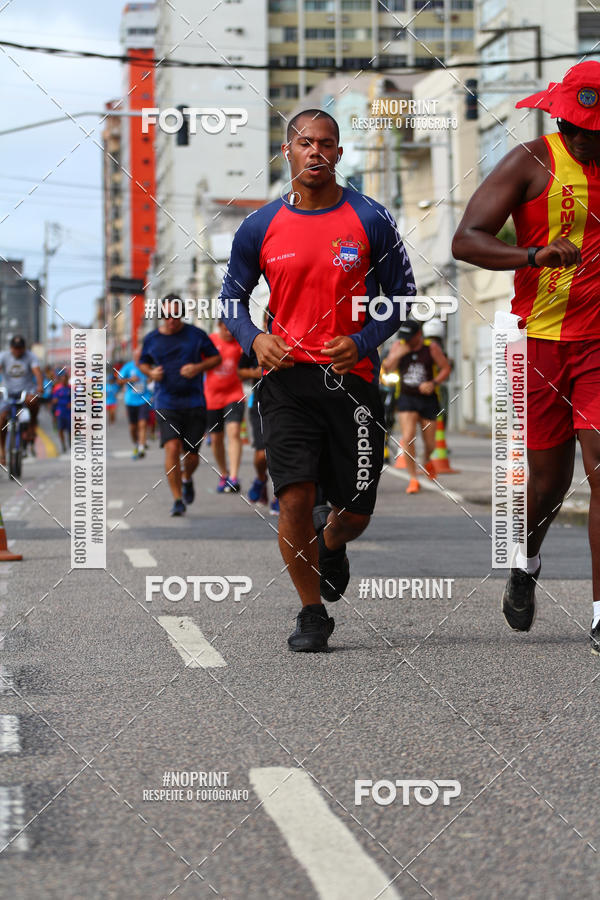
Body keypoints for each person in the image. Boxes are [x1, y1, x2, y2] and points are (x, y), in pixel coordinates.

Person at [219, 108, 416, 652]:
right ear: (287, 152)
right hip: (286, 381)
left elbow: (401, 297)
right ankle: (311, 613)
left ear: (339, 154)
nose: (316, 152)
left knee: (353, 512)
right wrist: (253, 339)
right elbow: (231, 300)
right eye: (305, 143)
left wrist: (363, 341)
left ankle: (332, 544)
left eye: (326, 143)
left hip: (352, 382)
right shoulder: (259, 225)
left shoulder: (371, 218)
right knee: (294, 498)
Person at [452, 60, 600, 650]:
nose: (593, 140)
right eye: (586, 129)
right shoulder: (531, 162)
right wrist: (534, 256)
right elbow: (467, 240)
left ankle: (598, 611)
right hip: (540, 343)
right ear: (565, 123)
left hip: (599, 347)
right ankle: (526, 557)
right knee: (549, 483)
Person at [138, 293, 221, 516]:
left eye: (175, 314)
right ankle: (177, 499)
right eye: (166, 315)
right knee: (172, 448)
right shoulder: (152, 339)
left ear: (182, 314)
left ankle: (186, 478)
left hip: (194, 402)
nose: (171, 319)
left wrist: (197, 368)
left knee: (192, 456)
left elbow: (216, 358)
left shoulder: (196, 335)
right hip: (166, 402)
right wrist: (150, 372)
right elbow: (142, 363)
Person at [382, 320, 451, 494]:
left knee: (431, 444)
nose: (406, 341)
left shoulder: (431, 348)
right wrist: (397, 354)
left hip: (428, 399)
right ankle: (413, 478)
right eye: (404, 338)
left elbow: (445, 368)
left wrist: (433, 382)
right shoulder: (399, 345)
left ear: (418, 335)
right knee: (408, 437)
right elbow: (387, 369)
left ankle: (427, 459)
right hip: (406, 398)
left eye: (409, 338)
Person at [204, 319, 245, 493]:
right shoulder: (209, 342)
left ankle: (234, 477)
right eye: (226, 329)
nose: (229, 332)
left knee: (234, 431)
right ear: (219, 326)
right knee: (216, 439)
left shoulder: (240, 343)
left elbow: (247, 364)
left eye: (231, 329)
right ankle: (224, 473)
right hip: (212, 397)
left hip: (234, 394)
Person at [238, 345, 279, 514]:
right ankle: (261, 479)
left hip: (287, 405)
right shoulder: (255, 345)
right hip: (260, 404)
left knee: (280, 453)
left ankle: (279, 496)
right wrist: (254, 373)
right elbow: (240, 372)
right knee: (261, 454)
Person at [0, 335, 43, 464]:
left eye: (20, 348)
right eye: (15, 348)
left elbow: (37, 373)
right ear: (11, 348)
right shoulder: (4, 356)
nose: (17, 350)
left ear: (24, 348)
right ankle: (2, 452)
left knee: (33, 402)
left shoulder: (31, 356)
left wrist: (40, 386)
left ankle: (31, 427)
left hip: (26, 392)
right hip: (8, 392)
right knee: (1, 419)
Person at [117, 348, 151, 459]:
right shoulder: (128, 367)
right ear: (134, 357)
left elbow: (152, 377)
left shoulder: (147, 366)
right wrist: (130, 379)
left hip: (144, 399)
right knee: (133, 427)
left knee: (143, 423)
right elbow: (118, 380)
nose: (139, 359)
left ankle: (141, 447)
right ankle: (136, 443)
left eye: (141, 357)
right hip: (130, 400)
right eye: (137, 357)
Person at [51, 371, 71, 453]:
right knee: (60, 429)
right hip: (60, 411)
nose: (64, 381)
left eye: (65, 379)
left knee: (70, 429)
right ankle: (63, 444)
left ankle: (70, 442)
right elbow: (53, 400)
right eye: (62, 379)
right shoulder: (57, 389)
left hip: (69, 412)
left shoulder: (71, 388)